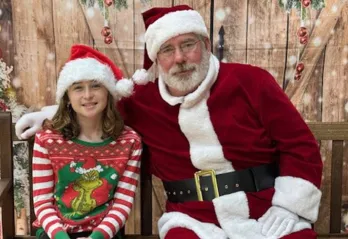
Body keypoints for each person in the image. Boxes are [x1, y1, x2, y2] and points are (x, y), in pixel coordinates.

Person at [16, 5, 322, 239]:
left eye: (187, 44)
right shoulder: (143, 101)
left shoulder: (251, 81)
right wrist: (50, 114)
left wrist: (289, 206)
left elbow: (299, 145)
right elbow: (95, 104)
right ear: (155, 59)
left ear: (204, 44)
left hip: (266, 208)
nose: (179, 58)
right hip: (192, 218)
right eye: (167, 50)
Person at [31, 45, 142, 239]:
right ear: (67, 97)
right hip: (55, 231)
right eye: (78, 88)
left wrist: (97, 237)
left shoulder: (129, 142)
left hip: (103, 232)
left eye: (96, 85)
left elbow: (122, 203)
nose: (88, 95)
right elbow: (42, 202)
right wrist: (60, 236)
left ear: (108, 92)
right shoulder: (47, 140)